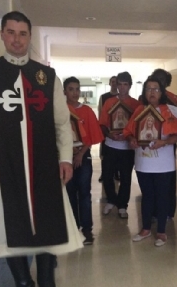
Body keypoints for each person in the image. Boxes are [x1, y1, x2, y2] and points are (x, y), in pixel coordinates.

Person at [0, 11, 82, 287]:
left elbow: (62, 123)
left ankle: (45, 278)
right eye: (11, 32)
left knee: (46, 220)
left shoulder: (47, 76)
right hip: (3, 160)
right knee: (8, 223)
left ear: (29, 36)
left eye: (23, 33)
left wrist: (65, 157)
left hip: (43, 162)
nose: (17, 39)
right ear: (2, 34)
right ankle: (22, 281)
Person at [124, 77, 177, 247]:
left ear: (162, 92)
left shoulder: (169, 111)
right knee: (147, 196)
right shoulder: (139, 110)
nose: (152, 92)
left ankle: (162, 232)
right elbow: (128, 131)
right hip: (143, 162)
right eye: (148, 89)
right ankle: (146, 229)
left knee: (162, 196)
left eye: (155, 89)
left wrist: (163, 142)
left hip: (163, 163)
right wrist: (131, 139)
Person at [64, 77, 104, 246]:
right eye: (71, 89)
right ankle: (73, 227)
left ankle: (87, 229)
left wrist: (80, 154)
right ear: (64, 91)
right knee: (70, 192)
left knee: (85, 193)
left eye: (77, 89)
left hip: (84, 157)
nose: (75, 93)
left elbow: (92, 135)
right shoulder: (60, 110)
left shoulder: (87, 111)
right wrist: (68, 154)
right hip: (65, 157)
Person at [99, 72, 140, 218]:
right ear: (115, 85)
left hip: (127, 147)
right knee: (107, 175)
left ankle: (122, 205)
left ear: (129, 86)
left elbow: (138, 126)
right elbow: (102, 124)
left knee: (125, 177)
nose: (122, 88)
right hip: (111, 145)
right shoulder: (109, 102)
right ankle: (111, 200)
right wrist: (109, 134)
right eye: (119, 84)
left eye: (125, 84)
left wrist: (130, 136)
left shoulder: (135, 104)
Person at [150, 68, 177, 220]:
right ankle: (153, 210)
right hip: (149, 141)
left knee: (168, 178)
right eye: (157, 80)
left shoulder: (172, 98)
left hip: (168, 140)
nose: (160, 84)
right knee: (151, 178)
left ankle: (168, 211)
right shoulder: (146, 98)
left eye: (163, 81)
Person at [98, 76, 119, 182]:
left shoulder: (121, 98)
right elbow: (100, 112)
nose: (115, 84)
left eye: (116, 82)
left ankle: (116, 173)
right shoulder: (104, 97)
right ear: (110, 83)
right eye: (113, 82)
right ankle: (104, 173)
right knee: (105, 153)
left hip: (118, 129)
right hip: (106, 129)